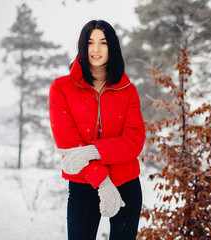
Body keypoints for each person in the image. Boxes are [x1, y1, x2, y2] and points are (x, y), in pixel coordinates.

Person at [49, 20, 146, 240]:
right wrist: (102, 182)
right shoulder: (61, 88)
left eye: (103, 42)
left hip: (126, 184)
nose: (96, 49)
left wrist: (93, 151)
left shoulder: (128, 90)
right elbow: (68, 143)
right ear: (82, 47)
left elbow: (133, 141)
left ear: (112, 47)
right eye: (90, 42)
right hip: (83, 184)